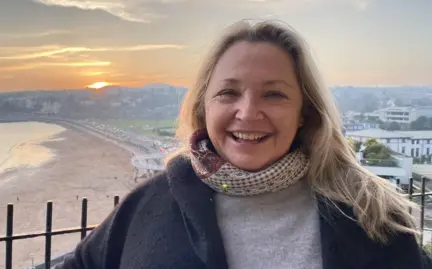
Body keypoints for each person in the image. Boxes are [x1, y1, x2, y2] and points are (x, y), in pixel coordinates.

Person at [56, 20, 432, 269]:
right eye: (228, 92)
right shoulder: (150, 204)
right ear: (204, 106)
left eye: (274, 95)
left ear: (304, 111)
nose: (248, 112)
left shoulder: (370, 216)